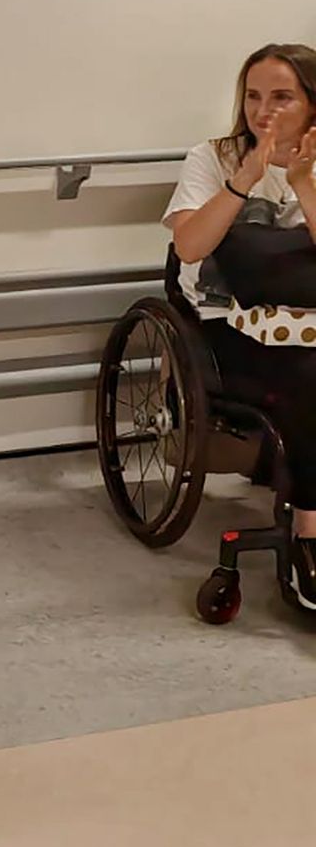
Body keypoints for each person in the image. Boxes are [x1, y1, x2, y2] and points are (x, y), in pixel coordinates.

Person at [166, 42, 316, 602]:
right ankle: (308, 535)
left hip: (306, 321)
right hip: (227, 328)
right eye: (253, 96)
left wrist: (302, 181)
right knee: (309, 377)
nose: (264, 111)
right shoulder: (214, 157)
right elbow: (188, 245)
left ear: (311, 104)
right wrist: (244, 179)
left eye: (282, 97)